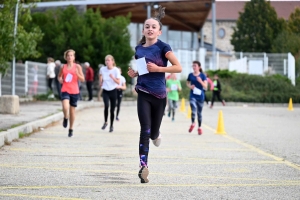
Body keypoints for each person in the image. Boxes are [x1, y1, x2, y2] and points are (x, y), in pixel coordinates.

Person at [127, 6, 182, 184]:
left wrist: (159, 69)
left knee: (153, 133)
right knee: (145, 129)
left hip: (159, 95)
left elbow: (178, 67)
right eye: (147, 26)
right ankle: (143, 167)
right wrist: (135, 74)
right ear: (143, 30)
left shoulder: (163, 47)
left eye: (153, 27)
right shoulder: (139, 49)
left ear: (158, 31)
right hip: (143, 92)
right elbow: (142, 69)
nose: (150, 29)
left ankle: (157, 135)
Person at [57, 49, 85, 137]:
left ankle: (71, 129)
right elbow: (59, 76)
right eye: (68, 55)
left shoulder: (78, 67)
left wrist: (78, 74)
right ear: (66, 57)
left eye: (71, 55)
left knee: (72, 112)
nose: (70, 57)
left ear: (74, 57)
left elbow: (82, 79)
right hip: (65, 89)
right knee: (65, 107)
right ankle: (65, 117)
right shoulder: (63, 67)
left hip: (74, 91)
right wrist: (60, 79)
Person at [99, 55, 120, 133]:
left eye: (108, 60)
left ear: (112, 61)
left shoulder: (116, 70)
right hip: (105, 90)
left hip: (113, 90)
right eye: (106, 60)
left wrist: (112, 77)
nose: (107, 62)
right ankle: (105, 122)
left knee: (112, 110)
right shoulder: (102, 69)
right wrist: (100, 81)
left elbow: (118, 82)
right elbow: (100, 75)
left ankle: (111, 125)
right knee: (106, 106)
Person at [186, 61, 207, 135]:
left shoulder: (203, 75)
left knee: (199, 113)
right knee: (193, 107)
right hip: (193, 95)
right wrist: (190, 86)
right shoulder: (190, 75)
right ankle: (193, 123)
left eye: (195, 66)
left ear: (199, 67)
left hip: (200, 96)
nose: (193, 67)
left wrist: (200, 81)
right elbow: (187, 83)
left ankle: (199, 127)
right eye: (193, 66)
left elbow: (205, 86)